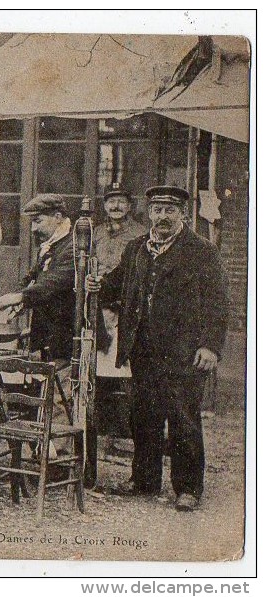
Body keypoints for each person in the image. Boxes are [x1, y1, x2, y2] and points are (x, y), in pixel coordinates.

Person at [87, 186, 229, 512]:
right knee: (144, 416)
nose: (162, 217)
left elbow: (218, 303)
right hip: (143, 349)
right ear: (149, 213)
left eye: (170, 210)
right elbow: (118, 285)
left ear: (181, 213)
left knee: (183, 418)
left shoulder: (200, 251)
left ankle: (188, 488)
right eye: (157, 210)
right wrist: (100, 285)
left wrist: (210, 346)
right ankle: (145, 480)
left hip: (184, 352)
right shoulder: (137, 248)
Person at [92, 188, 148, 441]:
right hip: (100, 302)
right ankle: (103, 423)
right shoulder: (97, 233)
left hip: (126, 304)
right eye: (111, 202)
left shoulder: (139, 234)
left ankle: (126, 427)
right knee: (100, 360)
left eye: (121, 202)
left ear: (129, 206)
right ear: (105, 206)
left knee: (125, 365)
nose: (116, 206)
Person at [0, 193, 75, 363]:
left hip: (66, 336)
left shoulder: (73, 246)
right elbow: (32, 276)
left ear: (58, 217)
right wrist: (18, 300)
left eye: (38, 221)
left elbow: (53, 282)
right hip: (47, 333)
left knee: (61, 385)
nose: (33, 229)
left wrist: (20, 297)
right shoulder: (51, 244)